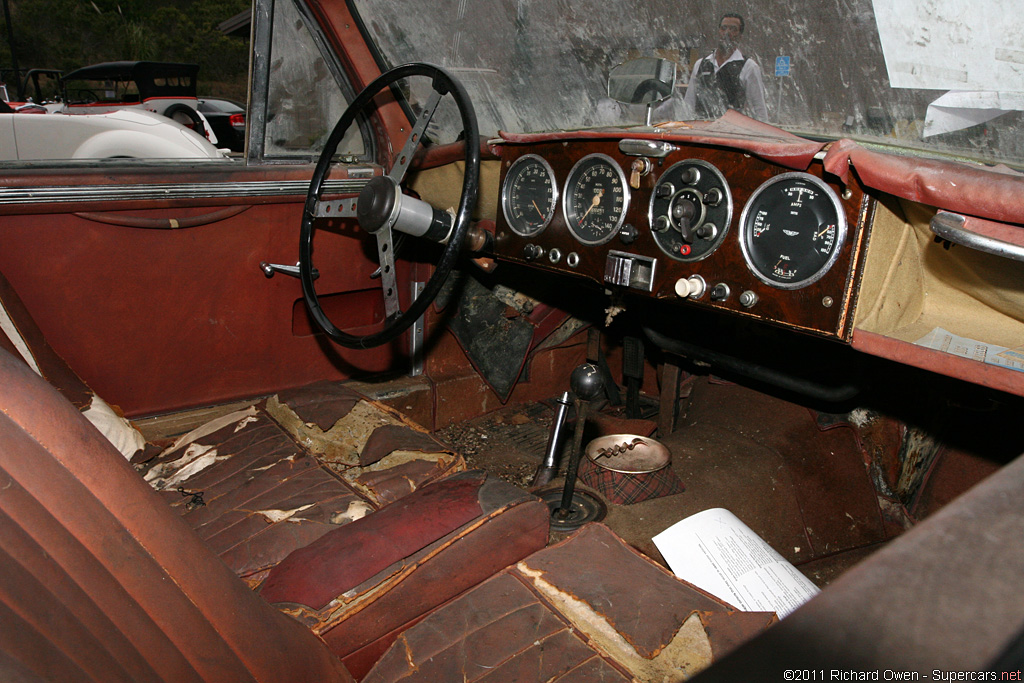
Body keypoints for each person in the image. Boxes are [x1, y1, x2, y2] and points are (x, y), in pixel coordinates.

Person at [682, 12, 768, 121]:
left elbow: (759, 108)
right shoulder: (701, 64)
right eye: (724, 28)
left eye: (733, 29)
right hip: (701, 131)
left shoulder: (749, 67)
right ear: (719, 31)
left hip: (730, 133)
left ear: (740, 35)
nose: (727, 33)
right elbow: (689, 103)